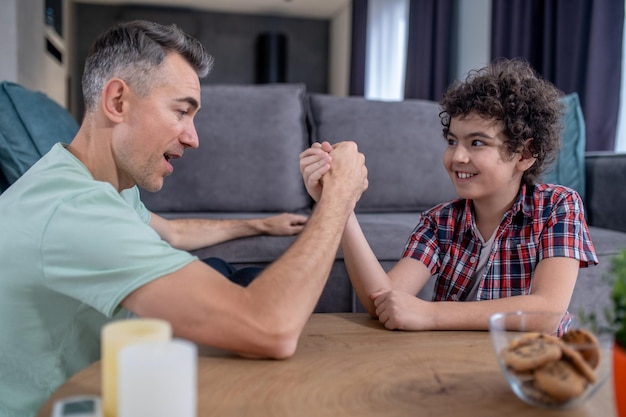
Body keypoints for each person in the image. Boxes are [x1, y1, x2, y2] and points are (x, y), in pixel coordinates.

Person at [0, 20, 368, 417]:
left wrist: (261, 224)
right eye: (181, 112)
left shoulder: (98, 184)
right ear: (118, 101)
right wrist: (338, 198)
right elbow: (271, 328)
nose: (193, 138)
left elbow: (172, 231)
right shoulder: (75, 210)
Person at [300, 58, 597, 335]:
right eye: (452, 141)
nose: (457, 156)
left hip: (529, 367)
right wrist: (340, 204)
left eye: (477, 143)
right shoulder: (439, 222)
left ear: (525, 154)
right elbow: (384, 301)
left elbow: (548, 311)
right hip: (452, 361)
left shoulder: (559, 206)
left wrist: (430, 315)